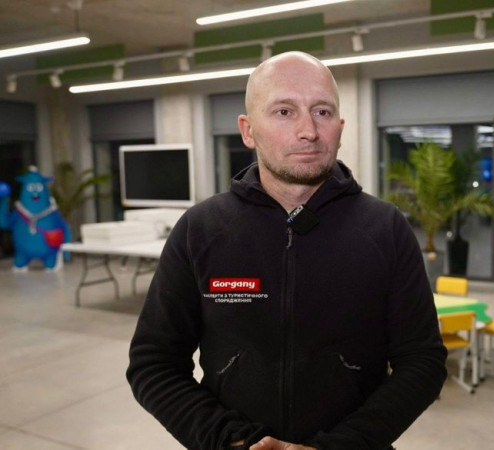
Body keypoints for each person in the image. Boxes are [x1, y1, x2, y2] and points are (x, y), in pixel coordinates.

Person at [126, 51, 447, 450]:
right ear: (248, 131)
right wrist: (232, 441)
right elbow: (153, 363)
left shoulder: (386, 229)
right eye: (283, 111)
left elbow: (423, 362)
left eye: (322, 112)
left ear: (340, 128)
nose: (308, 130)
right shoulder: (200, 229)